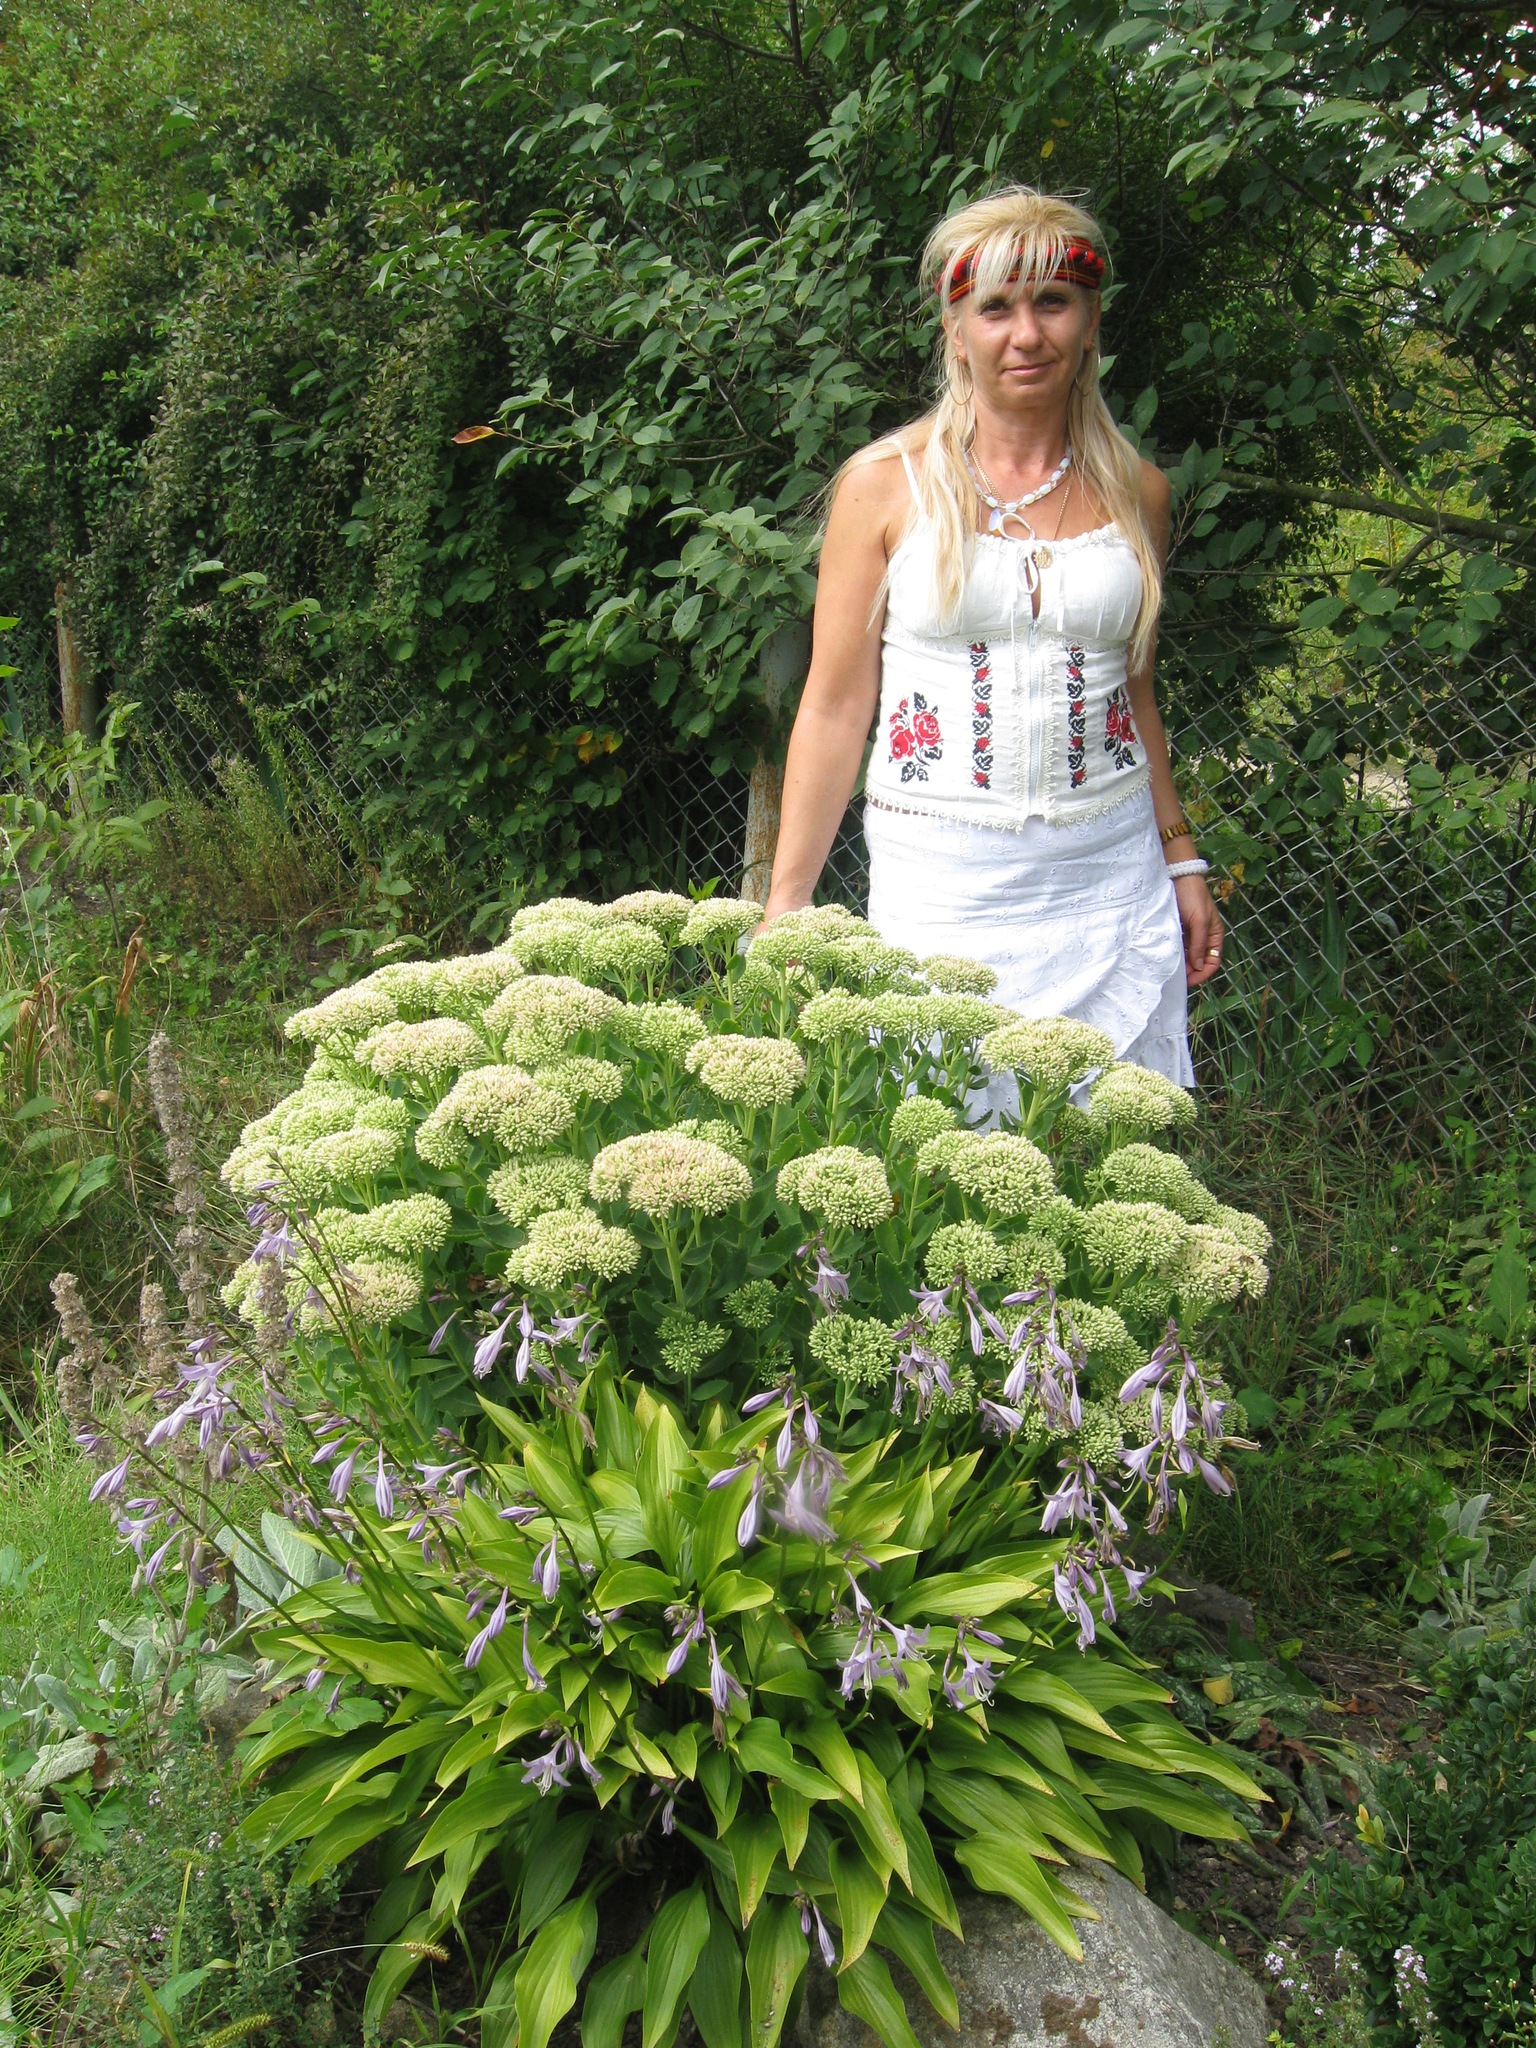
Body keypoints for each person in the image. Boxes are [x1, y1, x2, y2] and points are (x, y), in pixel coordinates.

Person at [760, 187, 1223, 1087]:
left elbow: (1134, 693)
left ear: (1091, 322)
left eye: (1053, 302)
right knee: (940, 1130)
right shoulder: (884, 485)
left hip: (1110, 875)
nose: (1027, 334)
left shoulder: (1139, 492)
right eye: (997, 307)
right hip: (944, 883)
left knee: (1105, 1147)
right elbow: (836, 704)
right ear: (956, 327)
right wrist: (788, 903)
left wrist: (1183, 860)